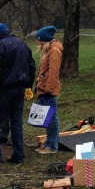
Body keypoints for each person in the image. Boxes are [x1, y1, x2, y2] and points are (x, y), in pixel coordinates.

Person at [0, 23, 36, 164]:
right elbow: (31, 66)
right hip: (20, 89)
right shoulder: (23, 44)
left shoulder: (0, 46)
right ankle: (19, 155)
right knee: (16, 122)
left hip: (6, 88)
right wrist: (28, 85)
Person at [34, 25, 63, 154]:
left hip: (48, 90)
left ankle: (52, 146)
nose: (38, 42)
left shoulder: (54, 51)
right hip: (44, 88)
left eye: (39, 39)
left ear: (44, 39)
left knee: (51, 118)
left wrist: (48, 89)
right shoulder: (49, 50)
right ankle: (48, 144)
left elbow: (53, 72)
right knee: (48, 117)